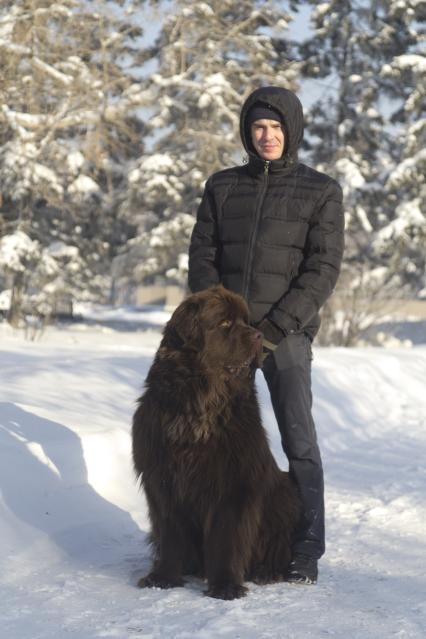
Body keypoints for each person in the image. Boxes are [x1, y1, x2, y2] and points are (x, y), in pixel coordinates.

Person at [187, 86, 345, 584]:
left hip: (286, 337)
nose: (267, 136)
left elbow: (322, 270)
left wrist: (274, 329)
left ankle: (305, 546)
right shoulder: (222, 186)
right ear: (246, 132)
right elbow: (203, 258)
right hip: (227, 342)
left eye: (276, 128)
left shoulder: (320, 190)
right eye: (258, 127)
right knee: (217, 445)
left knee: (298, 440)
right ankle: (212, 540)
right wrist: (216, 324)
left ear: (291, 131)